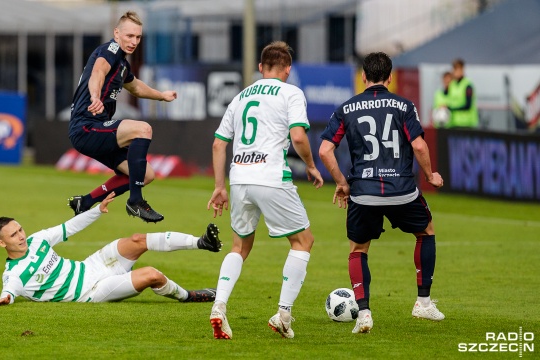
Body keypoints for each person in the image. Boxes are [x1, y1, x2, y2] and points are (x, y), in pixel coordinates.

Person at [318, 52, 445, 334]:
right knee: (425, 231)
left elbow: (325, 149)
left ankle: (363, 314)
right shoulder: (404, 106)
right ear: (390, 77)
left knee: (358, 250)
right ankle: (423, 303)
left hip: (363, 192)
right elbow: (420, 146)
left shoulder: (347, 108)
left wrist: (341, 182)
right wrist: (430, 175)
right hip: (402, 190)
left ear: (363, 76)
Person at [206, 41, 324, 340]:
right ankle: (283, 314)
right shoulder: (291, 92)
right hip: (271, 175)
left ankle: (219, 307)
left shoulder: (241, 96)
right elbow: (298, 136)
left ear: (261, 68)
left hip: (240, 177)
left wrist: (220, 187)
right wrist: (310, 165)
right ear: (287, 69)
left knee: (239, 247)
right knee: (302, 241)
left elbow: (219, 143)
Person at [0, 193, 222, 306]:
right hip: (92, 291)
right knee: (152, 275)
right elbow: (10, 288)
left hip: (91, 265)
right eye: (13, 235)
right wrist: (6, 298)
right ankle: (188, 296)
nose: (21, 236)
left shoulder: (37, 240)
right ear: (2, 243)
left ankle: (201, 242)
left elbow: (68, 227)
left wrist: (96, 210)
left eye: (20, 229)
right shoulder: (14, 272)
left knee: (137, 240)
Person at [67, 11, 177, 223]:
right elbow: (98, 72)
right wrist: (95, 96)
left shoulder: (123, 64)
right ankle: (135, 201)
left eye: (138, 37)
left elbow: (135, 87)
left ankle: (86, 202)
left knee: (145, 175)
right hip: (86, 126)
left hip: (98, 129)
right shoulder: (110, 50)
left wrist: (161, 96)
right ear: (116, 34)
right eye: (129, 36)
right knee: (142, 129)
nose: (134, 41)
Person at [446, 58, 479, 128]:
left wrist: (451, 108)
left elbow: (468, 105)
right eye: (455, 69)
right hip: (454, 123)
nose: (456, 72)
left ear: (463, 70)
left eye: (458, 69)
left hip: (467, 124)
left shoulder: (467, 85)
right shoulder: (452, 85)